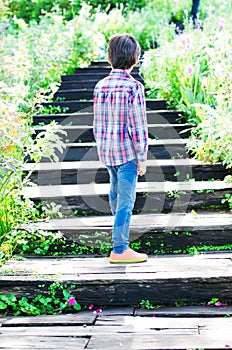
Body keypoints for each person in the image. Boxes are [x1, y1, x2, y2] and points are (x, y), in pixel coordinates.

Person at [93, 34, 148, 264]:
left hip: (108, 152)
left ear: (109, 57)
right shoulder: (133, 87)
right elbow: (138, 126)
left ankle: (119, 233)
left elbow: (97, 123)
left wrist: (101, 148)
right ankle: (120, 248)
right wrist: (142, 157)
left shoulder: (100, 86)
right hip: (127, 154)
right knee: (126, 199)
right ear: (135, 59)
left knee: (116, 193)